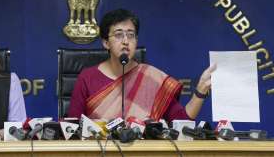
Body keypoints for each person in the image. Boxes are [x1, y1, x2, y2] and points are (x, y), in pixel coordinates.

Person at [68, 8, 215, 122]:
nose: (125, 41)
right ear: (106, 43)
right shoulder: (87, 77)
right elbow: (72, 128)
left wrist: (200, 91)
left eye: (131, 35)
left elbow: (182, 121)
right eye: (119, 35)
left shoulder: (150, 77)